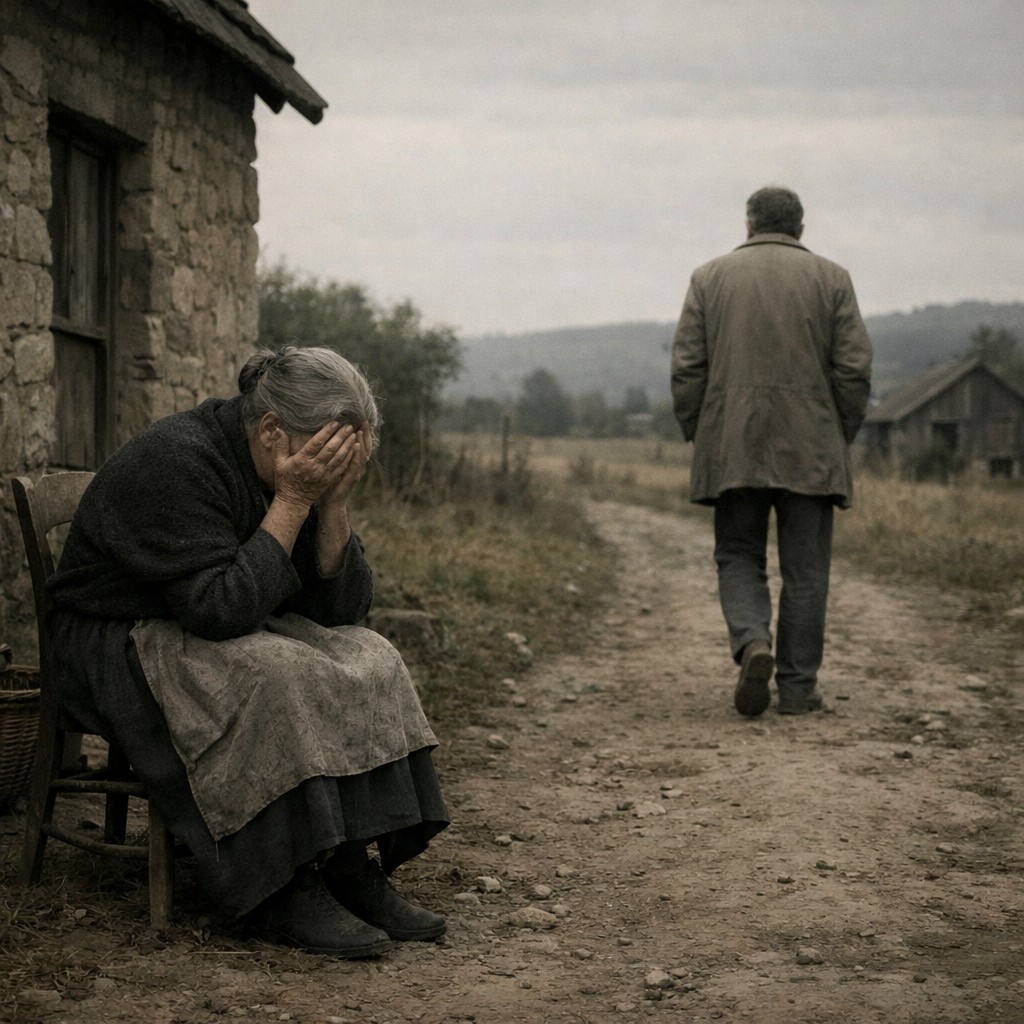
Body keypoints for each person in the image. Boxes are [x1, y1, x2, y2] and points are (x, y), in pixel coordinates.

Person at [47, 346, 450, 956]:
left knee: (370, 655)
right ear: (270, 431)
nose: (331, 467)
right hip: (112, 638)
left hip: (208, 615)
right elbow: (218, 610)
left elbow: (340, 612)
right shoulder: (177, 459)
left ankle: (346, 864)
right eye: (327, 452)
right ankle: (278, 886)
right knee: (277, 673)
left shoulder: (286, 463)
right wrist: (292, 503)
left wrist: (331, 504)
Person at [670, 186, 872, 717]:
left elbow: (687, 369)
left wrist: (702, 434)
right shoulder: (833, 279)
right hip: (812, 448)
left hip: (732, 446)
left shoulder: (708, 278)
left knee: (738, 555)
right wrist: (838, 434)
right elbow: (853, 370)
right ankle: (799, 690)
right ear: (801, 229)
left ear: (748, 225)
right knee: (806, 573)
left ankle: (753, 642)